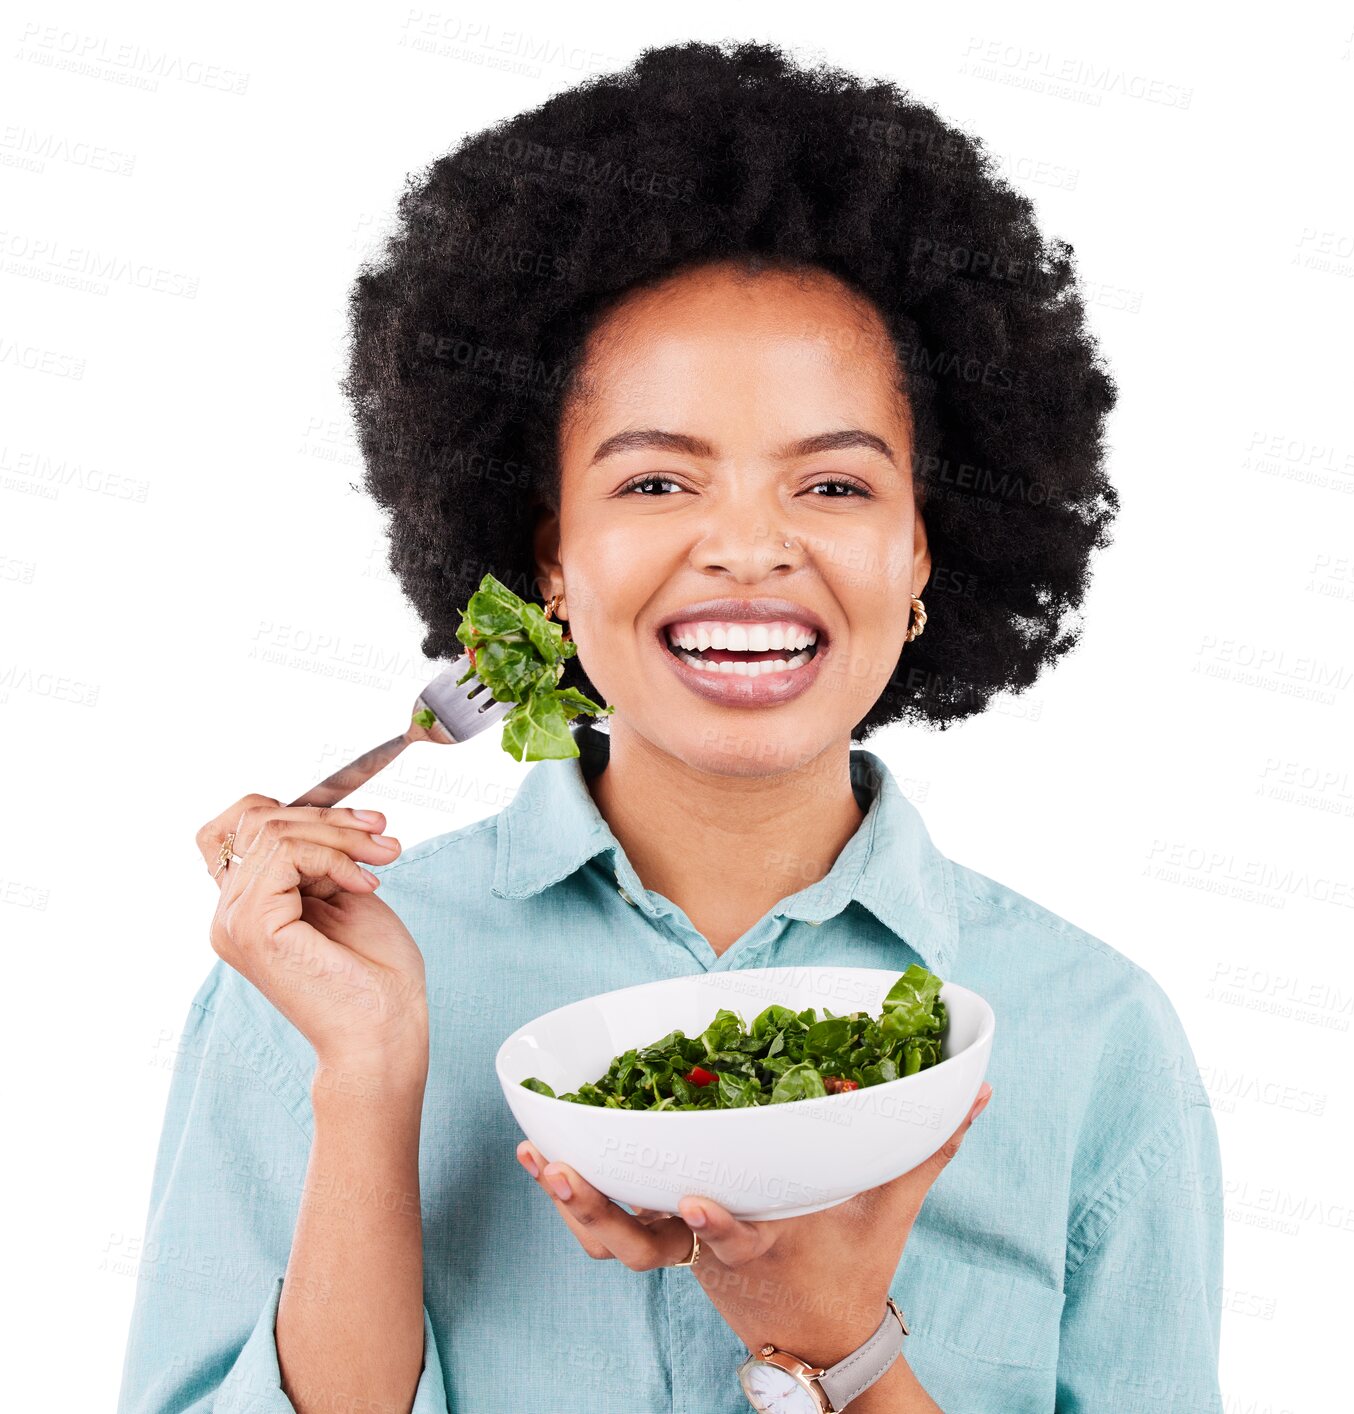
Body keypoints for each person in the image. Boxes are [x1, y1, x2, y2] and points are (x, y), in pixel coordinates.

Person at [116, 38, 1223, 1414]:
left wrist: (840, 1343)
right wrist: (369, 1080)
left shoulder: (1090, 1032)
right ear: (551, 562)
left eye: (831, 486)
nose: (746, 550)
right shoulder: (316, 984)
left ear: (926, 554)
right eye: (653, 482)